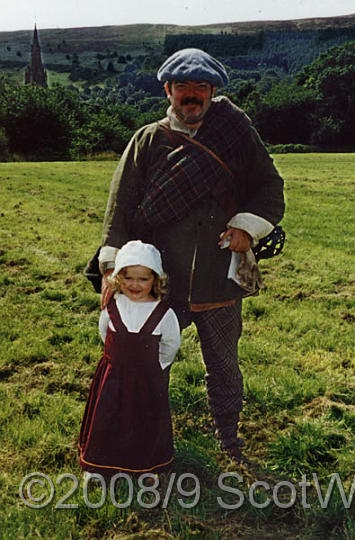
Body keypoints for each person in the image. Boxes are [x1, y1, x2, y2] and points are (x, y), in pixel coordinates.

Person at [95, 48, 285, 463]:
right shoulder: (147, 140)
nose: (192, 94)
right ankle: (140, 437)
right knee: (142, 363)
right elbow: (120, 208)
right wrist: (113, 273)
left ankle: (229, 438)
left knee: (224, 367)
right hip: (158, 286)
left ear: (213, 91)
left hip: (220, 280)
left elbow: (269, 187)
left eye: (201, 87)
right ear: (168, 89)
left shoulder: (236, 134)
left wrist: (246, 227)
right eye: (184, 86)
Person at [79, 240, 181, 475]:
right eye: (128, 278)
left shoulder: (163, 313)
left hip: (146, 379)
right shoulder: (112, 307)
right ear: (117, 278)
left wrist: (157, 367)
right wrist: (114, 360)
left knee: (144, 422)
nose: (135, 284)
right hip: (112, 379)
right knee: (106, 420)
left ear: (155, 280)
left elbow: (170, 344)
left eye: (143, 279)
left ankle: (146, 466)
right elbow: (105, 334)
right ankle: (98, 464)